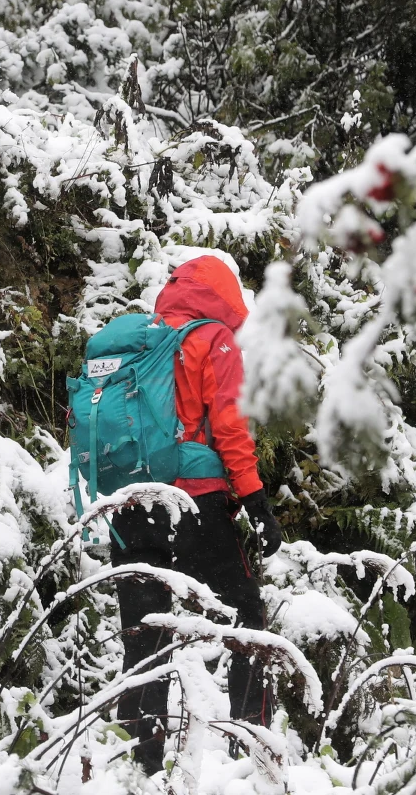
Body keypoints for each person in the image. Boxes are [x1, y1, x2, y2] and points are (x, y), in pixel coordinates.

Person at [111, 255, 282, 775]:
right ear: (225, 295)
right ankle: (251, 750)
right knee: (246, 617)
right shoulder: (214, 339)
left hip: (129, 504)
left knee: (144, 635)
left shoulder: (138, 341)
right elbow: (230, 426)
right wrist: (255, 501)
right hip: (192, 504)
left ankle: (139, 767)